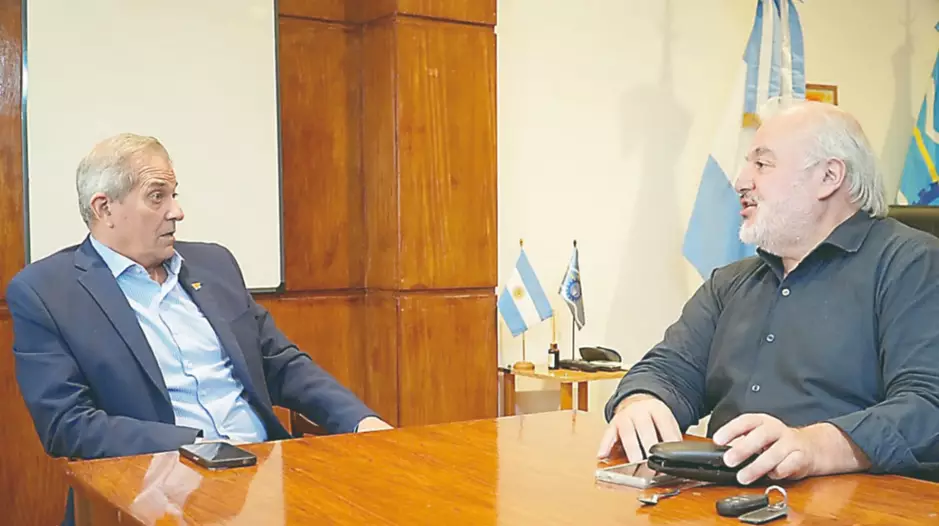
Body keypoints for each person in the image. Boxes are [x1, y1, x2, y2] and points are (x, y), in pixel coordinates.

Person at [598, 100, 939, 485]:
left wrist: (813, 447)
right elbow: (666, 370)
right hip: (723, 497)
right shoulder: (731, 282)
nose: (740, 181)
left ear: (829, 177)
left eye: (762, 164)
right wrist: (642, 401)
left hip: (857, 503)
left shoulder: (913, 264)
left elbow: (928, 405)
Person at [8, 133, 392, 460]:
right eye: (156, 197)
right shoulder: (46, 292)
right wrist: (202, 446)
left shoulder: (214, 265)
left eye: (173, 195)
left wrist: (360, 421)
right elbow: (67, 425)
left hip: (266, 468)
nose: (177, 211)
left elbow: (281, 364)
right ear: (104, 208)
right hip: (156, 483)